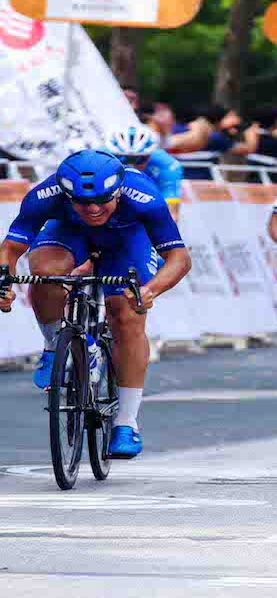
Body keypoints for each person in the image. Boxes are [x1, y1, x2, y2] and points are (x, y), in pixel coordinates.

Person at [0, 150, 192, 458]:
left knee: (126, 315)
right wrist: (3, 284)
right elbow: (10, 249)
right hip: (68, 233)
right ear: (66, 194)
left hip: (127, 239)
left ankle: (126, 423)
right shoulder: (45, 195)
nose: (92, 209)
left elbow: (179, 258)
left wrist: (150, 290)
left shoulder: (144, 197)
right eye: (82, 202)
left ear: (118, 191)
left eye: (102, 200)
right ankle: (54, 345)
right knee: (46, 274)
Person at [103, 126, 184, 221]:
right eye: (123, 159)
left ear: (149, 156)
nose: (131, 166)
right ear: (112, 155)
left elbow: (171, 216)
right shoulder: (99, 159)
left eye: (139, 159)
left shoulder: (167, 166)